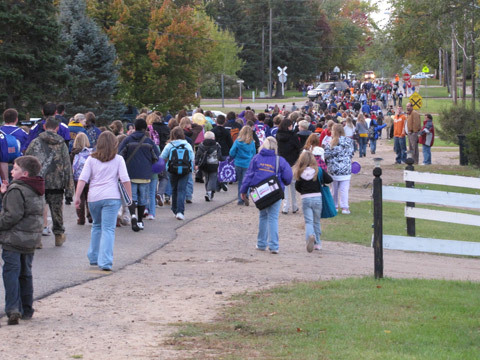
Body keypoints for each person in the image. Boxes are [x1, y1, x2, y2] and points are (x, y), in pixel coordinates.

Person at [75, 131, 132, 271]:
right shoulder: (118, 159)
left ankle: (93, 256)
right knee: (108, 229)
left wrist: (77, 197)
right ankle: (105, 261)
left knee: (97, 225)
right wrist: (129, 198)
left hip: (94, 197)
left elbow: (82, 179)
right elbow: (125, 180)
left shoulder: (91, 159)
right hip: (112, 197)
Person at [0, 156, 44, 325]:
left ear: (24, 173)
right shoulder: (36, 187)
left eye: (15, 169)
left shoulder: (17, 189)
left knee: (11, 273)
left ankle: (13, 308)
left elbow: (12, 215)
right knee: (25, 273)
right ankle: (27, 308)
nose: (11, 171)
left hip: (14, 238)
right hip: (31, 237)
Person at [25, 117, 74, 247]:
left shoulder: (35, 142)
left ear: (45, 127)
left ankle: (38, 239)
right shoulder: (62, 144)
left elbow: (27, 161)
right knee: (56, 210)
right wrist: (69, 189)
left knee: (38, 210)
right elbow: (67, 166)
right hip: (57, 183)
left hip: (38, 182)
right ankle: (58, 235)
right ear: (57, 128)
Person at [240, 137, 292, 254]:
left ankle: (261, 243)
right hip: (274, 191)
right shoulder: (279, 160)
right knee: (273, 218)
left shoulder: (256, 159)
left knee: (263, 216)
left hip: (259, 192)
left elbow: (249, 175)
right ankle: (274, 246)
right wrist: (283, 182)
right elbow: (288, 177)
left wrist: (243, 191)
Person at [118, 118, 160, 231]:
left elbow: (120, 154)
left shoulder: (127, 140)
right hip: (145, 174)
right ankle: (140, 221)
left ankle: (133, 215)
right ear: (145, 128)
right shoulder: (149, 142)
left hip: (130, 173)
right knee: (143, 198)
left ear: (134, 127)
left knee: (132, 197)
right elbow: (156, 156)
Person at [294, 151, 327, 252]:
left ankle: (310, 236)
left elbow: (297, 186)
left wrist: (303, 192)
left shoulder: (300, 173)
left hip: (306, 198)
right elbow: (329, 179)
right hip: (317, 198)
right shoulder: (317, 171)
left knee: (309, 221)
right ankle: (318, 243)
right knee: (316, 221)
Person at [160, 126, 194, 220]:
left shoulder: (170, 145)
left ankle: (175, 209)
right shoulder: (187, 145)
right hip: (185, 170)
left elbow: (162, 157)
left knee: (174, 189)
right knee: (181, 190)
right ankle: (180, 211)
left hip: (172, 170)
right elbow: (191, 158)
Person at [324, 124, 354, 214]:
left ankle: (335, 206)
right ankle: (345, 207)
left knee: (334, 189)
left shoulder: (331, 143)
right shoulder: (349, 141)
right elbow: (351, 154)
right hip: (345, 169)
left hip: (334, 169)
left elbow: (326, 155)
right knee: (344, 189)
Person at [276, 118, 301, 214]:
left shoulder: (278, 135)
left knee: (285, 184)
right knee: (293, 184)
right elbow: (298, 147)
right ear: (288, 126)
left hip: (283, 162)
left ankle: (286, 206)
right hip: (293, 162)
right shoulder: (293, 136)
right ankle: (294, 205)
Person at [229, 126, 256, 205]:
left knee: (240, 181)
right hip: (248, 163)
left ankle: (240, 199)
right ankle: (246, 195)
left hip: (238, 163)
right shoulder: (252, 143)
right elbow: (254, 153)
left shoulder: (237, 142)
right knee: (246, 182)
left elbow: (231, 152)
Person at [195, 131, 223, 201]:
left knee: (207, 178)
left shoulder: (201, 145)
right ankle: (209, 192)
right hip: (214, 164)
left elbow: (198, 155)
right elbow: (219, 155)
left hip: (204, 164)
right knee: (213, 178)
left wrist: (196, 163)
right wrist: (221, 160)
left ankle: (208, 191)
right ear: (213, 138)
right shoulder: (217, 145)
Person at [71, 133, 92, 225]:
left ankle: (81, 218)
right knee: (89, 198)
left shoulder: (73, 154)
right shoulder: (91, 153)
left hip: (77, 178)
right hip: (90, 178)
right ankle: (90, 215)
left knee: (80, 198)